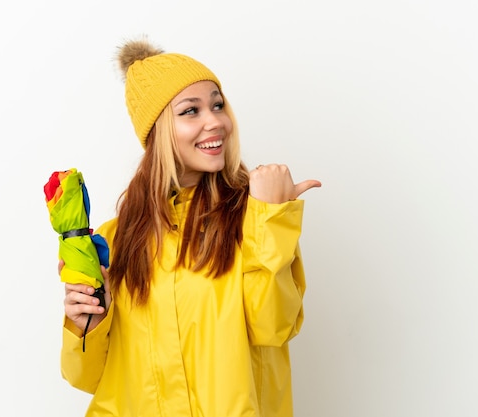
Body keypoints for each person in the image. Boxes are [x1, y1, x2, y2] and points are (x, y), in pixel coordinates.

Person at [60, 37, 321, 417]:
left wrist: (271, 217)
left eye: (217, 105)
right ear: (157, 130)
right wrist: (86, 323)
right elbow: (85, 377)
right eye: (191, 111)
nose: (215, 121)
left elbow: (272, 328)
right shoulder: (116, 237)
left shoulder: (256, 216)